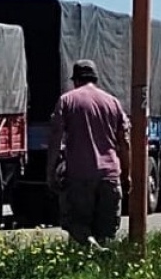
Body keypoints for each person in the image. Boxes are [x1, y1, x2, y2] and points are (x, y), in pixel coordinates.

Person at [46, 59, 131, 249]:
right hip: (110, 175)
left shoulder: (67, 101)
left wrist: (51, 172)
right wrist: (126, 174)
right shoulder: (113, 103)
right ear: (96, 78)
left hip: (79, 176)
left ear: (75, 80)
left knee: (76, 225)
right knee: (107, 232)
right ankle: (102, 265)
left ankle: (90, 248)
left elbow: (55, 139)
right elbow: (125, 143)